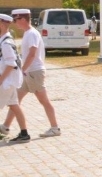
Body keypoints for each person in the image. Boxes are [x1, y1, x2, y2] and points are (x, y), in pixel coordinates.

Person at [0, 9, 61, 138]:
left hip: (34, 72)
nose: (14, 23)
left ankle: (55, 127)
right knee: (15, 100)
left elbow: (32, 54)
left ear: (22, 19)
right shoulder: (27, 33)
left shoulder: (32, 33)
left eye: (16, 20)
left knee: (43, 100)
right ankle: (5, 126)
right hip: (29, 73)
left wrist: (22, 70)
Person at [0, 13, 29, 143]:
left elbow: (11, 64)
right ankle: (24, 133)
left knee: (14, 105)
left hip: (6, 82)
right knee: (14, 105)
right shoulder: (5, 39)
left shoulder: (5, 43)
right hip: (9, 82)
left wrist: (1, 79)